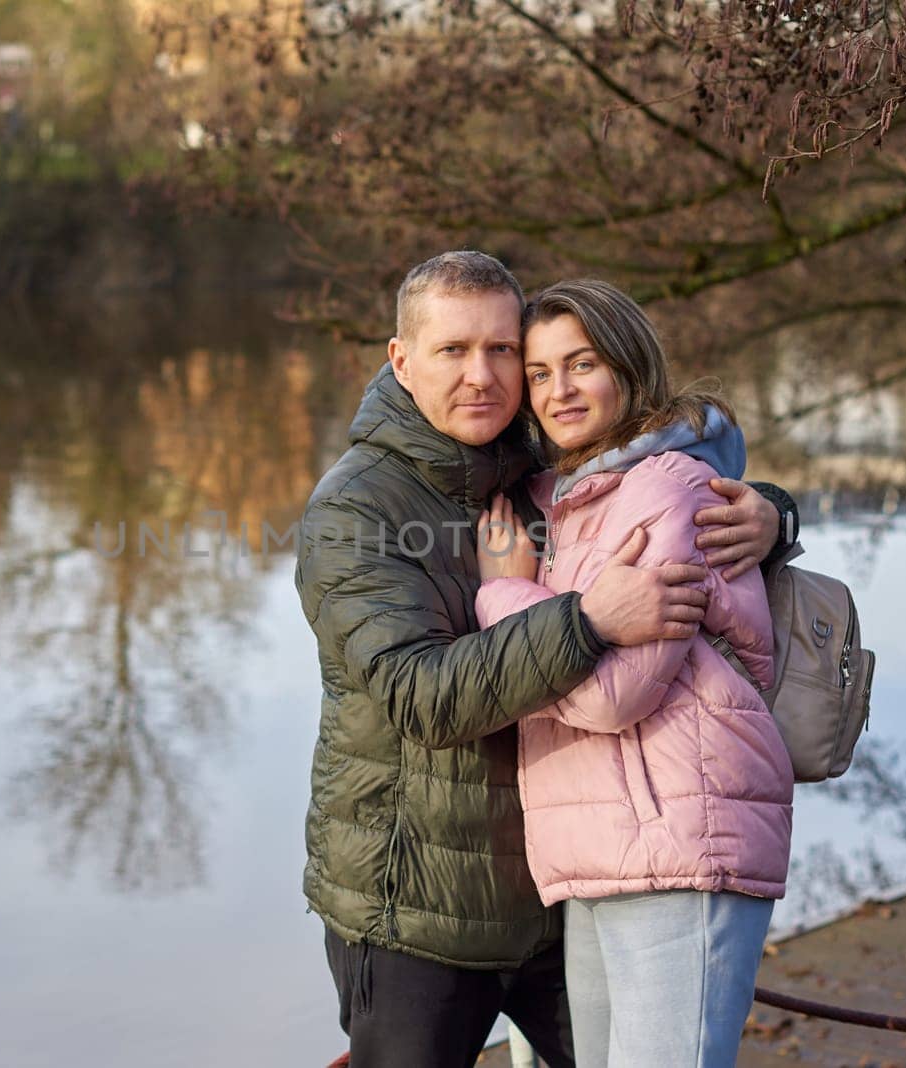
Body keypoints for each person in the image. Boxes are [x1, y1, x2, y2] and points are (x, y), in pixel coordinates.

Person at [296, 252, 798, 1068]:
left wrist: (772, 513)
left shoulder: (539, 464)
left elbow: (658, 466)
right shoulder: (356, 510)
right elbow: (424, 699)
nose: (483, 376)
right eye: (453, 351)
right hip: (418, 910)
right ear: (400, 359)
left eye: (502, 351)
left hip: (564, 887)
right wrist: (588, 620)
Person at [475, 278, 796, 1068]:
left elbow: (615, 693)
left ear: (627, 364)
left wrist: (505, 587)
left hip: (680, 841)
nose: (559, 391)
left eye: (580, 364)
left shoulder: (666, 490)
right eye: (542, 373)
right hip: (606, 848)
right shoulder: (571, 499)